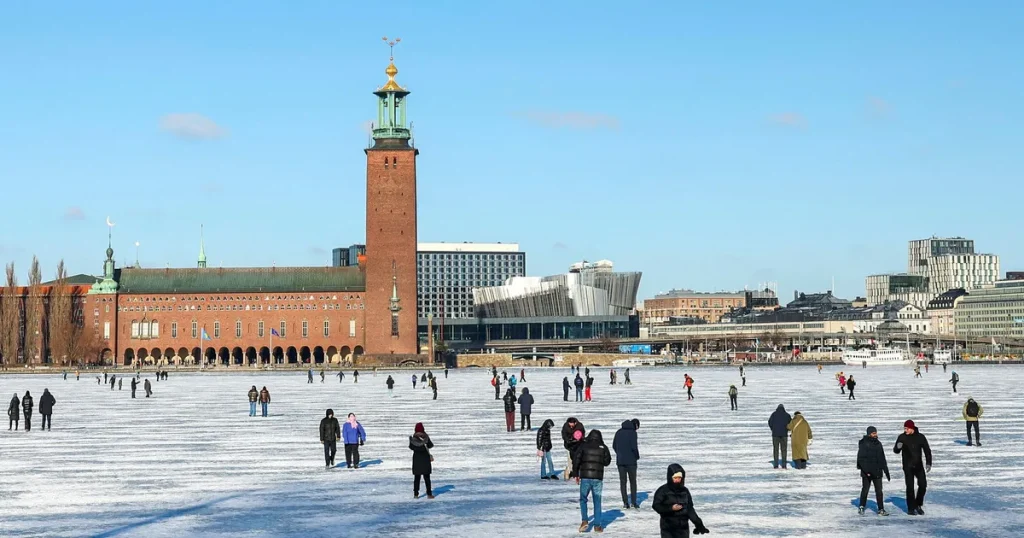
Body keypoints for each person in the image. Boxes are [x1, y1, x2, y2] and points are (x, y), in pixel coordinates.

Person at [653, 463, 710, 538]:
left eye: (679, 478)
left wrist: (699, 525)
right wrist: (671, 508)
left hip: (683, 530)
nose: (677, 480)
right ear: (670, 477)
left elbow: (690, 510)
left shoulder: (685, 491)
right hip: (668, 529)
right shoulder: (662, 490)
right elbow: (656, 506)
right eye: (675, 478)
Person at [573, 430, 612, 533]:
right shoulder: (603, 447)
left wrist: (576, 473)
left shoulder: (583, 446)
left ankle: (584, 520)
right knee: (597, 501)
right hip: (597, 478)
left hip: (585, 477)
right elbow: (607, 461)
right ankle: (597, 526)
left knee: (583, 499)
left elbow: (576, 459)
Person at [894, 420, 932, 515]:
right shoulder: (902, 437)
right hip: (908, 466)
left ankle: (918, 504)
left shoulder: (920, 437)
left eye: (907, 428)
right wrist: (898, 447)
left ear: (912, 428)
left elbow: (927, 450)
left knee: (923, 485)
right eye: (904, 428)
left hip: (918, 465)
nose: (905, 430)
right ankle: (911, 508)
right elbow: (896, 451)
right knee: (910, 487)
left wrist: (928, 463)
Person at [856, 426, 890, 516]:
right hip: (866, 472)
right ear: (869, 434)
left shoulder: (878, 444)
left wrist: (886, 470)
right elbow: (861, 459)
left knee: (879, 491)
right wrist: (866, 471)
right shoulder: (864, 444)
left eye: (876, 433)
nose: (875, 435)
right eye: (873, 433)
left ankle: (881, 509)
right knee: (865, 490)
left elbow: (882, 458)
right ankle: (862, 506)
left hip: (877, 471)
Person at [613, 419, 640, 510]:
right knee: (633, 481)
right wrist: (636, 456)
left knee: (623, 482)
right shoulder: (633, 433)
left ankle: (625, 503)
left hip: (620, 461)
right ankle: (633, 502)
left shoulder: (618, 432)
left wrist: (620, 453)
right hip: (631, 461)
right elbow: (634, 447)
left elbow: (614, 445)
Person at [409, 423, 434, 499]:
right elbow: (430, 445)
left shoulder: (413, 439)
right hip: (425, 459)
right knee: (427, 478)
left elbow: (411, 447)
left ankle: (416, 494)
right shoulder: (425, 437)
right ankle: (429, 494)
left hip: (417, 460)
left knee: (417, 478)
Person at [768, 404, 792, 469]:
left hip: (775, 435)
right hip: (784, 435)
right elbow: (791, 424)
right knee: (784, 450)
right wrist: (787, 429)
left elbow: (770, 422)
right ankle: (784, 465)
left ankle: (776, 465)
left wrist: (773, 429)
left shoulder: (774, 414)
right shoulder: (787, 415)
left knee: (775, 449)